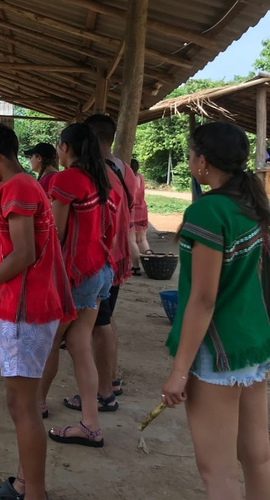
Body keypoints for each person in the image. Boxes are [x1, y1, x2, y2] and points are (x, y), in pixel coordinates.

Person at [0, 122, 74, 500]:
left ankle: (33, 492)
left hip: (27, 308)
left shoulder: (20, 187)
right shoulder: (21, 186)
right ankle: (25, 483)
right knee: (18, 401)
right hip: (27, 304)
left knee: (23, 406)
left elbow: (25, 254)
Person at [162, 122, 270, 500]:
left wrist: (178, 372)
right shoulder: (249, 204)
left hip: (220, 350)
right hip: (252, 343)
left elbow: (203, 299)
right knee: (257, 457)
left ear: (203, 162)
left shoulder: (208, 212)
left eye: (192, 154)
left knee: (218, 473)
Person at [37, 123, 118, 447]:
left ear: (65, 147)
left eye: (58, 145)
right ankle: (90, 424)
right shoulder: (100, 179)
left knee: (49, 342)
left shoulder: (67, 179)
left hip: (76, 276)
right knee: (80, 346)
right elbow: (108, 228)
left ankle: (37, 403)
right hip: (99, 270)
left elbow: (54, 234)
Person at [85, 114, 136, 404]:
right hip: (118, 254)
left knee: (98, 324)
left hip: (104, 256)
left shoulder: (97, 173)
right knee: (105, 320)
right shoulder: (123, 168)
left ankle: (103, 392)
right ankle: (111, 380)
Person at [129, 158, 151, 275]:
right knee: (142, 239)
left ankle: (135, 267)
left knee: (131, 240)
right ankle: (150, 261)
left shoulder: (129, 179)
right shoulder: (140, 177)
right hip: (142, 209)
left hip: (132, 211)